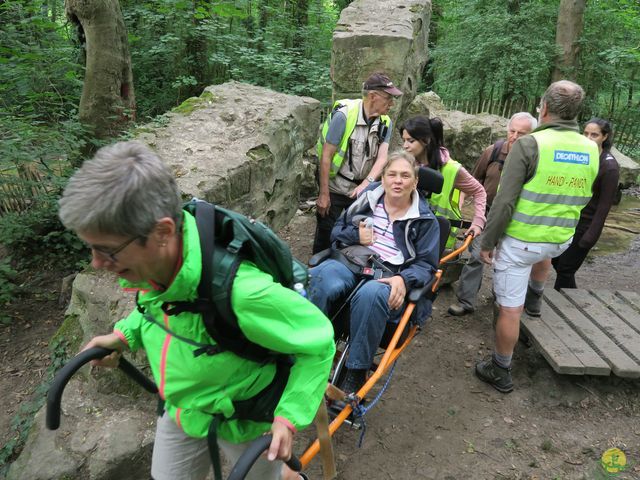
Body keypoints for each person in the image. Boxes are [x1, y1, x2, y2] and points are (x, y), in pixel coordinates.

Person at [58, 141, 335, 480]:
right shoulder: (160, 263)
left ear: (163, 232)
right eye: (91, 248)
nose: (97, 263)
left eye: (107, 251)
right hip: (182, 410)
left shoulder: (244, 293)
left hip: (245, 421)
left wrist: (288, 418)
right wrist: (124, 335)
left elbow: (318, 343)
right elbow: (160, 306)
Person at [477, 80, 600, 393]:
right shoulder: (590, 147)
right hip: (559, 238)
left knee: (509, 309)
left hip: (521, 241)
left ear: (544, 108)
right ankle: (535, 300)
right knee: (542, 255)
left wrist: (488, 242)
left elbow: (505, 201)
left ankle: (500, 369)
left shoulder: (529, 145)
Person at [309, 151, 440, 394]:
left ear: (415, 182)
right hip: (351, 260)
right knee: (320, 276)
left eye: (405, 175)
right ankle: (307, 349)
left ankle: (355, 371)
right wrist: (355, 236)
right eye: (392, 174)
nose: (397, 181)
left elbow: (426, 266)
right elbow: (337, 231)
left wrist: (404, 278)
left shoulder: (425, 220)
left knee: (370, 295)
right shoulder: (366, 199)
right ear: (383, 176)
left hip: (388, 273)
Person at [448, 112, 537, 316]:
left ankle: (504, 300)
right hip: (488, 214)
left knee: (508, 260)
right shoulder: (493, 152)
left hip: (517, 218)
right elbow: (474, 180)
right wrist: (463, 203)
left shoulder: (535, 157)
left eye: (521, 133)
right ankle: (465, 301)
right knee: (476, 256)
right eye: (512, 131)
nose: (514, 136)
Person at [313, 72, 402, 254]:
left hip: (362, 192)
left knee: (355, 238)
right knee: (327, 236)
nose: (391, 104)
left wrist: (366, 184)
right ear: (372, 96)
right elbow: (326, 157)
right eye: (388, 98)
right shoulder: (344, 116)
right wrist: (323, 194)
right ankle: (315, 274)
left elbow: (382, 157)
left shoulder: (386, 122)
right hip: (336, 188)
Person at [552, 118, 620, 290]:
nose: (588, 138)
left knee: (565, 268)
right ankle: (573, 297)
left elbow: (604, 207)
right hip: (567, 219)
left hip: (585, 225)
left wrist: (590, 236)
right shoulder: (580, 157)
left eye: (594, 135)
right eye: (586, 133)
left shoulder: (609, 166)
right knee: (556, 260)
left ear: (604, 137)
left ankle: (561, 307)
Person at [400, 116, 487, 249]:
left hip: (437, 240)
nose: (405, 146)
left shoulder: (451, 169)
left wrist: (478, 221)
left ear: (427, 140)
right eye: (404, 140)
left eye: (410, 141)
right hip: (405, 233)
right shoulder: (404, 163)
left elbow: (479, 191)